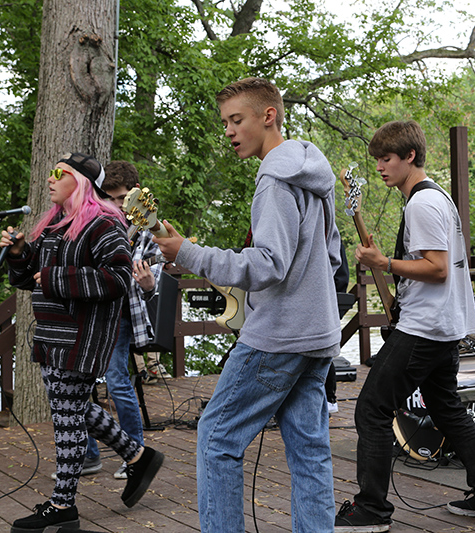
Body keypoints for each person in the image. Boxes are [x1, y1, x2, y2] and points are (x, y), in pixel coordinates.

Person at [153, 77, 342, 533]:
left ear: (268, 116)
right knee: (310, 452)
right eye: (225, 123)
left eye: (237, 120)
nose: (230, 131)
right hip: (318, 335)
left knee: (216, 437)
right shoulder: (315, 172)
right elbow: (333, 256)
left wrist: (187, 253)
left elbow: (270, 264)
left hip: (278, 336)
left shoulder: (274, 182)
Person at [334, 121, 475, 532]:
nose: (380, 167)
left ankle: (372, 509)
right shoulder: (433, 198)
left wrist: (382, 264)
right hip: (439, 324)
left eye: (387, 159)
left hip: (425, 328)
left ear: (409, 156)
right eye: (376, 159)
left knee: (372, 409)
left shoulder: (422, 204)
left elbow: (436, 269)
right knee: (447, 408)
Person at [1, 153, 164, 533]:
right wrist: (20, 254)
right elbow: (32, 279)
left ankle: (63, 505)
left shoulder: (104, 222)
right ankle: (137, 456)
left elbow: (118, 278)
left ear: (82, 181)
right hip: (54, 335)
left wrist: (55, 278)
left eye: (60, 173)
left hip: (81, 338)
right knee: (72, 407)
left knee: (67, 417)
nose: (50, 179)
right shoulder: (56, 225)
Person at [82, 160, 164, 479]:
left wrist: (148, 284)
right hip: (92, 313)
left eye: (122, 198)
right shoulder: (97, 222)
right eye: (110, 198)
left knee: (116, 380)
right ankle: (88, 455)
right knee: (82, 385)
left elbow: (151, 281)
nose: (117, 205)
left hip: (120, 314)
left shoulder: (147, 229)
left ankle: (135, 453)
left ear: (136, 195)